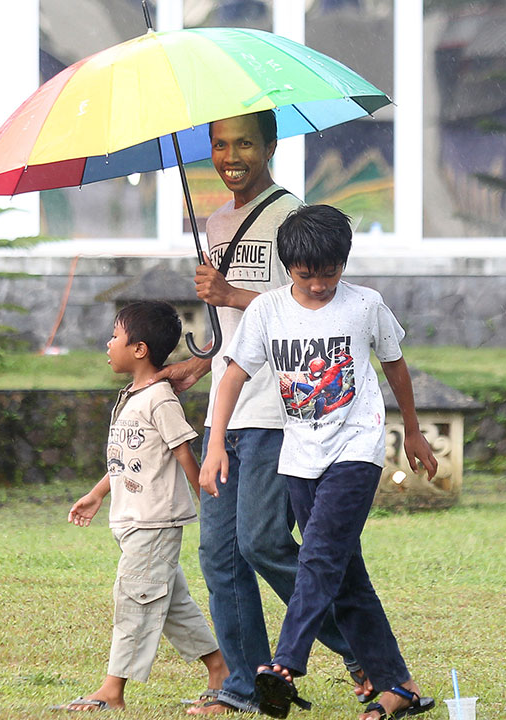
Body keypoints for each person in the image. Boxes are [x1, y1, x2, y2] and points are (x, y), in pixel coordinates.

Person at [155, 110, 367, 715]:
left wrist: (231, 293)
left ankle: (363, 651)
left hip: (280, 409)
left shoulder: (293, 219)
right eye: (220, 145)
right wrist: (199, 364)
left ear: (270, 146)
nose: (231, 157)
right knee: (219, 555)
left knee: (265, 541)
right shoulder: (216, 223)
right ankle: (244, 687)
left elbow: (311, 306)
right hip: (229, 412)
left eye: (244, 143)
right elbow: (237, 332)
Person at [200, 204, 438, 720]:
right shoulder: (267, 310)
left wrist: (413, 430)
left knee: (320, 557)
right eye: (306, 275)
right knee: (347, 576)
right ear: (288, 266)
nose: (318, 285)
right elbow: (234, 376)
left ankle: (285, 664)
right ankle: (398, 686)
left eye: (329, 273)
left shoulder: (365, 305)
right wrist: (216, 442)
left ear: (344, 263)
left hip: (356, 448)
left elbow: (394, 365)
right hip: (300, 456)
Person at [54, 301, 227, 712]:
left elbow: (184, 454)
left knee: (134, 599)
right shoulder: (131, 397)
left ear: (139, 349)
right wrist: (98, 493)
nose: (108, 343)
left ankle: (112, 691)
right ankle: (220, 668)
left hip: (155, 521)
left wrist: (208, 503)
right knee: (172, 604)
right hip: (133, 519)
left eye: (115, 336)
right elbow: (128, 459)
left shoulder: (160, 399)